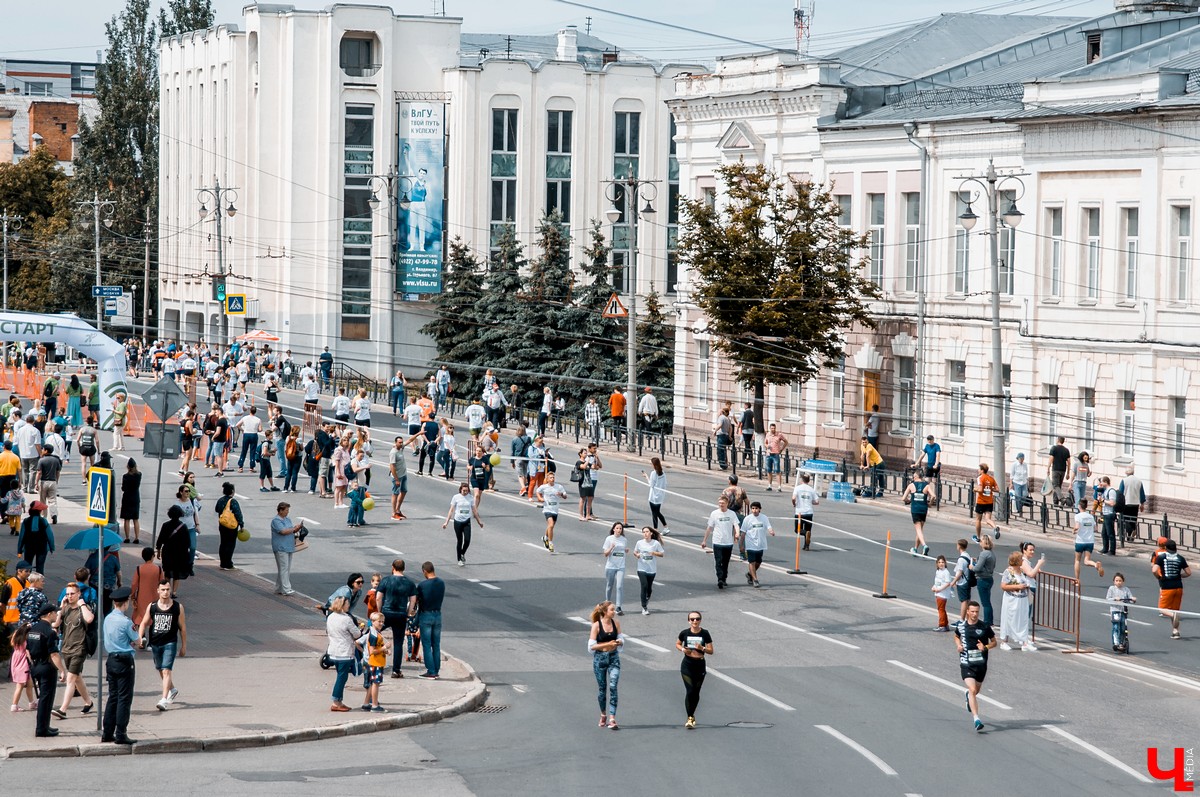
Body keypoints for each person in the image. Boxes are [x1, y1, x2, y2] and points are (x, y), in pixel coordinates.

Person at [138, 580, 187, 711]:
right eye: (163, 590)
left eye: (168, 589)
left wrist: (183, 646)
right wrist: (140, 637)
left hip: (170, 642)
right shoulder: (152, 606)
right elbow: (143, 622)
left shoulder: (177, 607)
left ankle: (164, 699)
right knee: (160, 668)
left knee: (166, 670)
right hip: (155, 643)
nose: (166, 592)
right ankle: (172, 689)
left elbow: (182, 628)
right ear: (158, 591)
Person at [102, 585, 141, 744]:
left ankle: (107, 732)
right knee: (124, 698)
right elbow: (137, 641)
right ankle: (121, 733)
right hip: (125, 661)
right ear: (125, 604)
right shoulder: (126, 622)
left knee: (113, 696)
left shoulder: (108, 618)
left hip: (111, 660)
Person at [53, 581, 94, 717]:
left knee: (70, 679)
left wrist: (82, 604)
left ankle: (63, 710)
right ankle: (88, 702)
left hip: (79, 648)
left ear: (78, 594)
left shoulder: (83, 607)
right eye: (67, 594)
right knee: (77, 678)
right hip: (66, 648)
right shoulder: (65, 609)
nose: (70, 596)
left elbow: (89, 619)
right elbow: (56, 624)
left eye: (72, 594)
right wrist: (61, 607)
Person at [955, 600, 997, 732]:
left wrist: (985, 647)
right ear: (967, 611)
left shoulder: (984, 626)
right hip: (967, 663)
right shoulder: (962, 626)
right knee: (973, 689)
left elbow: (995, 642)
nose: (975, 614)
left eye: (977, 612)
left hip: (981, 664)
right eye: (972, 611)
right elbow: (956, 636)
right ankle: (976, 719)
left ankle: (968, 695)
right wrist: (959, 646)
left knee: (975, 691)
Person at [26, 602, 65, 737]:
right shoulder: (49, 631)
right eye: (55, 612)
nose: (56, 614)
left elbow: (27, 650)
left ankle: (45, 726)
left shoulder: (33, 629)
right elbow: (54, 654)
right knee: (46, 699)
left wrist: (33, 665)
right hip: (47, 667)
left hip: (36, 666)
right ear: (49, 614)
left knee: (43, 697)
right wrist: (62, 670)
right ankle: (42, 729)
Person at [376, 559, 417, 678]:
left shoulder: (386, 580)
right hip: (400, 614)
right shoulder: (409, 583)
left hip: (386, 612)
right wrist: (408, 613)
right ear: (403, 568)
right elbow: (413, 600)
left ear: (393, 567)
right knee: (398, 642)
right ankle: (396, 670)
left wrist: (379, 612)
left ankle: (369, 660)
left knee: (373, 633)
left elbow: (378, 597)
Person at [588, 601, 623, 730]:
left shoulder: (616, 623)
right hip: (600, 659)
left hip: (614, 658)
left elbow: (621, 639)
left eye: (614, 610)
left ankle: (612, 718)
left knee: (613, 686)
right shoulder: (596, 626)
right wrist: (607, 644)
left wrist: (618, 642)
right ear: (605, 612)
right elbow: (591, 646)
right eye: (612, 610)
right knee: (602, 688)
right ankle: (603, 714)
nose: (614, 612)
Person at [677, 611, 713, 730]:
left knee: (696, 692)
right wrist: (683, 650)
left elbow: (711, 650)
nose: (695, 621)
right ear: (689, 621)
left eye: (697, 619)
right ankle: (690, 717)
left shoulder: (705, 633)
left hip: (700, 665)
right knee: (690, 690)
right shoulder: (684, 633)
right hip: (687, 665)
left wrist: (702, 648)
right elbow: (677, 644)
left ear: (700, 620)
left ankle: (692, 714)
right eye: (692, 619)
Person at [410, 561, 445, 679]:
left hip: (426, 615)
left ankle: (431, 671)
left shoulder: (422, 585)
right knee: (436, 644)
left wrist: (414, 620)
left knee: (426, 644)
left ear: (424, 571)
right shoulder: (441, 583)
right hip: (438, 615)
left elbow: (418, 602)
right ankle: (436, 669)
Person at [325, 595, 361, 712]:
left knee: (341, 676)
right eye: (347, 604)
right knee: (342, 677)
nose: (349, 605)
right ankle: (336, 701)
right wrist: (359, 629)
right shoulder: (346, 619)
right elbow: (357, 634)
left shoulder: (331, 617)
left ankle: (339, 701)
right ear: (342, 605)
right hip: (344, 652)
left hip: (333, 651)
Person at [1152, 539, 1191, 640]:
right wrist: (1180, 575)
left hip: (1167, 586)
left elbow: (1154, 570)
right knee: (1175, 610)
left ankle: (1172, 616)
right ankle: (1175, 631)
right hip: (1178, 587)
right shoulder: (1180, 558)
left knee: (1162, 609)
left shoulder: (1161, 557)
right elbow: (1188, 572)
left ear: (1166, 548)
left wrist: (1159, 577)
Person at [997, 551, 1035, 652]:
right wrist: (1018, 586)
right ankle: (1004, 641)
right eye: (1021, 559)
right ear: (1016, 561)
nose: (1023, 560)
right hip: (1011, 600)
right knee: (1008, 619)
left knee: (1022, 620)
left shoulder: (1022, 572)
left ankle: (1024, 642)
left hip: (1022, 600)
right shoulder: (1008, 572)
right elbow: (1003, 586)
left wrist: (1026, 586)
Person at [701, 495, 740, 589]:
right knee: (718, 561)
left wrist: (737, 534)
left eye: (723, 503)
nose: (721, 505)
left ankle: (724, 578)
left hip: (728, 543)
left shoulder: (731, 514)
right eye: (720, 503)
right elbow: (709, 528)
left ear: (727, 503)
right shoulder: (714, 513)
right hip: (717, 541)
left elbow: (736, 525)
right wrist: (704, 540)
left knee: (725, 562)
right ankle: (720, 579)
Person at [442, 483, 482, 566]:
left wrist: (479, 522)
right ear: (460, 490)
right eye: (463, 490)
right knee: (460, 540)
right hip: (458, 521)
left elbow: (474, 510)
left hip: (466, 521)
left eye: (467, 491)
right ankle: (459, 559)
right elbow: (451, 510)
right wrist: (446, 522)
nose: (465, 492)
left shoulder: (470, 498)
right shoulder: (456, 497)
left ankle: (462, 553)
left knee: (467, 540)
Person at [156, 505, 191, 596]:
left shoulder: (165, 525)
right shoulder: (183, 527)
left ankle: (167, 590)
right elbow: (187, 542)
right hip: (179, 553)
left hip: (167, 551)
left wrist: (158, 550)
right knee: (176, 573)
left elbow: (160, 539)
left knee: (167, 571)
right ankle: (174, 592)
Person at [270, 502, 303, 596]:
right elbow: (283, 531)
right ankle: (286, 589)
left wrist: (297, 528)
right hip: (280, 547)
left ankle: (279, 588)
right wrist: (293, 529)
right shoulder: (276, 521)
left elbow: (291, 530)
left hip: (289, 546)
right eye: (286, 510)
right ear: (280, 510)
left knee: (284, 568)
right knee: (284, 568)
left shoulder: (287, 519)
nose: (287, 512)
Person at [741, 501, 774, 588]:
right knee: (752, 562)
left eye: (756, 508)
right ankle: (755, 580)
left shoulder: (764, 518)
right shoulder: (747, 519)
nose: (754, 510)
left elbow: (768, 526)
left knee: (758, 562)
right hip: (750, 544)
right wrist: (741, 545)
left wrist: (771, 531)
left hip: (760, 544)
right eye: (753, 508)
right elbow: (743, 533)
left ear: (760, 509)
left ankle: (749, 574)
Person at [903, 470, 936, 556]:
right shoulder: (927, 486)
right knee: (920, 530)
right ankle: (915, 548)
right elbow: (933, 496)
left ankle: (924, 545)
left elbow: (903, 498)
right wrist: (930, 503)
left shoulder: (911, 485)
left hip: (915, 509)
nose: (913, 478)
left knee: (918, 529)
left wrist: (909, 501)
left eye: (914, 477)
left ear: (917, 477)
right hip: (923, 509)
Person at [360, 612, 389, 712]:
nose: (381, 624)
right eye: (379, 621)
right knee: (376, 683)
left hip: (377, 661)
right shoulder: (373, 635)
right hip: (375, 662)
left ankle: (366, 703)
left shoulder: (375, 633)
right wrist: (384, 647)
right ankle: (375, 705)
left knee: (373, 683)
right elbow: (372, 651)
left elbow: (376, 647)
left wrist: (384, 650)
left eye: (382, 622)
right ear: (372, 622)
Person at [130, 547, 165, 626]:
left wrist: (133, 597)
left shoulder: (139, 569)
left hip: (141, 597)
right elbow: (162, 584)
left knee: (141, 615)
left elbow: (134, 584)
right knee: (153, 616)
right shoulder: (158, 569)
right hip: (155, 597)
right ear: (153, 556)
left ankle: (142, 635)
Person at [17, 501, 54, 575]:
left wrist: (20, 550)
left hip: (29, 547)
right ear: (40, 511)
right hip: (42, 547)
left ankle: (27, 581)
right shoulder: (43, 521)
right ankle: (38, 583)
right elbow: (50, 535)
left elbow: (22, 536)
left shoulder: (26, 521)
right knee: (40, 567)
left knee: (27, 566)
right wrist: (51, 547)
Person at [1072, 500, 1105, 583]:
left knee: (1077, 560)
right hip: (1090, 541)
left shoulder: (1078, 516)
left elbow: (1077, 526)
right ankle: (1095, 564)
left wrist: (1074, 530)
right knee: (1086, 561)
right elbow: (1096, 528)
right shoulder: (1091, 516)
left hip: (1080, 541)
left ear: (1079, 506)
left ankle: (1077, 580)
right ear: (1086, 506)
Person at [214, 482, 244, 571]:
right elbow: (238, 513)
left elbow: (216, 509)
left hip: (222, 524)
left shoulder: (220, 500)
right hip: (231, 526)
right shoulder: (233, 501)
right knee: (230, 544)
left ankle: (222, 563)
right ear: (232, 491)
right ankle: (228, 563)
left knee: (223, 543)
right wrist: (241, 524)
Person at [536, 470, 567, 553]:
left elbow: (565, 496)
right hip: (547, 509)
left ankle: (545, 537)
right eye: (550, 478)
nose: (552, 479)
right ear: (547, 479)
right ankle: (550, 543)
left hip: (555, 509)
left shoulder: (559, 487)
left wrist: (561, 494)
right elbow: (538, 491)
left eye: (553, 477)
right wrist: (540, 498)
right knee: (551, 524)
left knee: (551, 527)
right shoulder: (544, 487)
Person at [601, 523, 628, 614]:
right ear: (613, 529)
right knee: (610, 585)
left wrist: (625, 550)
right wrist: (611, 547)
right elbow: (605, 554)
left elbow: (623, 551)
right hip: (611, 566)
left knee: (619, 586)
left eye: (620, 528)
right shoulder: (609, 539)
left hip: (621, 566)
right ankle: (607, 602)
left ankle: (618, 606)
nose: (619, 530)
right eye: (617, 528)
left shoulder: (624, 539)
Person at [971, 463, 1001, 542]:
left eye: (979, 469)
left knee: (978, 520)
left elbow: (980, 489)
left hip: (981, 501)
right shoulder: (991, 478)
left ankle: (978, 537)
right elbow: (997, 489)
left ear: (982, 470)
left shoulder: (980, 478)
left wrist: (975, 489)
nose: (978, 470)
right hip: (989, 502)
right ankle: (995, 527)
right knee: (988, 519)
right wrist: (990, 489)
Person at [1106, 573, 1136, 653]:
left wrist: (1132, 599)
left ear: (1123, 581)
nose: (1118, 582)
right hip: (1115, 610)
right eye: (1117, 581)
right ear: (1114, 581)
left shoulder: (1126, 589)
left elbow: (1130, 599)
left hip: (1123, 611)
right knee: (1116, 626)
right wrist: (1115, 599)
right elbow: (1108, 599)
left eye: (1120, 581)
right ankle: (1116, 643)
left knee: (1123, 628)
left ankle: (1122, 643)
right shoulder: (1112, 588)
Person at [34, 443, 62, 525]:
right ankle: (54, 514)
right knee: (52, 500)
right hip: (53, 481)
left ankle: (44, 517)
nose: (42, 450)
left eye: (43, 449)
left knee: (43, 500)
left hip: (44, 482)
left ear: (46, 451)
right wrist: (56, 480)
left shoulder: (41, 460)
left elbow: (39, 472)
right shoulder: (56, 460)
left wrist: (36, 483)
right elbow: (58, 472)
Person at [640, 457, 670, 535]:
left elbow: (651, 485)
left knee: (655, 513)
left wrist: (646, 476)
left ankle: (656, 529)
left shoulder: (653, 473)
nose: (650, 465)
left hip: (653, 496)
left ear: (654, 465)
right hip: (660, 496)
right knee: (657, 512)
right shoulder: (662, 473)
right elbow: (665, 484)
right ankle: (663, 528)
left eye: (651, 463)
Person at [1118, 465, 1146, 544]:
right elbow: (1142, 494)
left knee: (1126, 519)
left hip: (1126, 503)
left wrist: (1119, 504)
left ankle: (1129, 534)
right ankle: (1132, 532)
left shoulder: (1124, 480)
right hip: (1135, 503)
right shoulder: (1139, 481)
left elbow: (1120, 493)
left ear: (1126, 472)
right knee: (1133, 519)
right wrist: (1142, 504)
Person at [973, 535, 997, 626]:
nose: (980, 541)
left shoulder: (984, 554)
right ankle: (989, 620)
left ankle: (987, 621)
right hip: (989, 578)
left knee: (985, 602)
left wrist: (972, 567)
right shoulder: (991, 553)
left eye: (981, 540)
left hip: (982, 579)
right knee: (987, 601)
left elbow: (978, 568)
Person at [791, 473, 819, 551]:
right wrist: (810, 502)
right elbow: (817, 501)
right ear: (809, 481)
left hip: (799, 512)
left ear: (802, 480)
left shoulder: (797, 488)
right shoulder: (811, 489)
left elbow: (793, 498)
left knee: (797, 529)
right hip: (809, 512)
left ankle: (805, 533)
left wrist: (794, 504)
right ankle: (806, 546)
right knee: (808, 529)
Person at [120, 458, 142, 544]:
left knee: (127, 519)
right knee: (135, 519)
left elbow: (123, 488)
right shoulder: (139, 475)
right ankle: (136, 538)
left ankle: (127, 537)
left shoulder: (126, 476)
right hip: (135, 497)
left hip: (127, 498)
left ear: (128, 467)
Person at [1047, 436, 1071, 507]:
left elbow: (1051, 459)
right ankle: (1055, 502)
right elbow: (1069, 462)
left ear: (1058, 440)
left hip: (1055, 469)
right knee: (1058, 486)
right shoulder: (1066, 450)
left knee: (1055, 485)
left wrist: (1048, 468)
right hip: (1063, 470)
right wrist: (1068, 473)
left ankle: (1062, 499)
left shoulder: (1054, 448)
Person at [1099, 476, 1120, 555]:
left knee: (1110, 533)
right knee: (1104, 533)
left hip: (1109, 514)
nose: (1100, 484)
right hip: (1105, 513)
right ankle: (1105, 548)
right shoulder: (1105, 491)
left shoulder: (1111, 491)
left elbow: (1112, 503)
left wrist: (1104, 500)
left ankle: (1112, 550)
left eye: (1101, 482)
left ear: (1105, 482)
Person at [388, 435, 409, 520]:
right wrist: (396, 479)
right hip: (397, 477)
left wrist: (419, 433)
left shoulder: (401, 448)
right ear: (395, 443)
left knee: (404, 491)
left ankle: (398, 510)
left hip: (403, 474)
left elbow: (410, 440)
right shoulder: (393, 452)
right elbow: (392, 466)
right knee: (395, 494)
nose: (401, 444)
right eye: (399, 442)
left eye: (401, 442)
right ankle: (393, 513)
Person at [763, 423, 788, 491]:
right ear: (770, 428)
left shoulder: (779, 435)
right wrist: (766, 446)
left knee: (777, 470)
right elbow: (765, 442)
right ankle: (769, 485)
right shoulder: (768, 434)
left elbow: (786, 442)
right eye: (771, 428)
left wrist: (781, 449)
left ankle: (779, 487)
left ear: (775, 428)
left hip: (776, 454)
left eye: (774, 428)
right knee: (769, 470)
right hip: (769, 454)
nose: (773, 429)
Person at [931, 555, 953, 631]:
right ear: (937, 563)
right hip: (938, 593)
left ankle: (942, 625)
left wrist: (939, 589)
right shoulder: (938, 571)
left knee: (941, 609)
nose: (941, 564)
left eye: (942, 562)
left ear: (945, 563)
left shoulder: (946, 572)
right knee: (941, 609)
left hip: (942, 594)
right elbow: (937, 582)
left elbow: (947, 583)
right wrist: (934, 587)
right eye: (939, 562)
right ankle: (945, 624)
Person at [953, 539, 973, 619]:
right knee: (967, 600)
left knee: (964, 601)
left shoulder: (961, 559)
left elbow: (959, 572)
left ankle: (962, 619)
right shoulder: (967, 555)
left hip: (962, 582)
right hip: (967, 580)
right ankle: (968, 619)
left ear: (959, 546)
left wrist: (954, 581)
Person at [712, 406, 733, 470]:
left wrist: (715, 431)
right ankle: (725, 464)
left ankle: (722, 465)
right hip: (726, 435)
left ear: (721, 412)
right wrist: (729, 436)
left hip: (721, 435)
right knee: (724, 450)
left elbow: (720, 425)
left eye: (718, 411)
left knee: (720, 450)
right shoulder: (727, 418)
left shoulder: (721, 417)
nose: (718, 413)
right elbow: (730, 428)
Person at [1010, 453, 1029, 517]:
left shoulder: (1025, 464)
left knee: (1024, 495)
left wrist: (1027, 482)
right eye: (1020, 459)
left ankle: (1020, 506)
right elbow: (1012, 475)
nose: (1021, 460)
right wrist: (1011, 483)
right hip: (1017, 482)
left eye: (1022, 459)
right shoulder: (1014, 465)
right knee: (1018, 496)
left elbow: (1026, 473)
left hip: (1024, 482)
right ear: (1018, 458)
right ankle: (1019, 509)